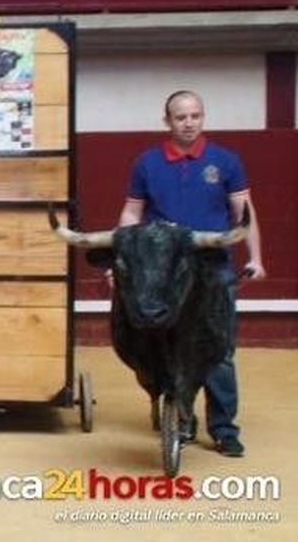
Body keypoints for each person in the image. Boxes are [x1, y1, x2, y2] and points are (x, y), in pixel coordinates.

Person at [116, 90, 265, 457]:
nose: (189, 123)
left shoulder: (225, 161)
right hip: (165, 271)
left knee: (219, 350)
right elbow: (133, 213)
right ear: (167, 121)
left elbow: (243, 214)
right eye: (180, 117)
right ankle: (181, 419)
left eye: (195, 116)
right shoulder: (147, 163)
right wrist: (123, 256)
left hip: (212, 267)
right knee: (167, 344)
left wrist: (256, 258)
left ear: (203, 117)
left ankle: (224, 429)